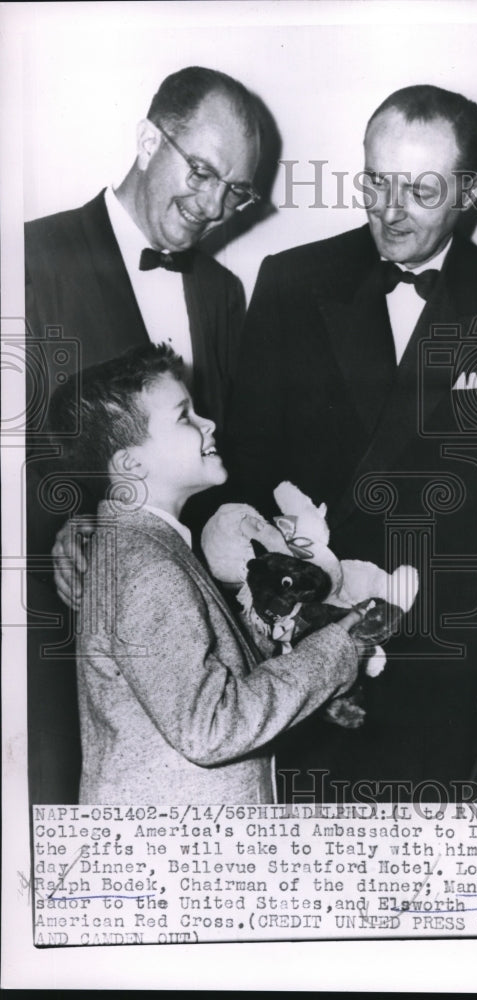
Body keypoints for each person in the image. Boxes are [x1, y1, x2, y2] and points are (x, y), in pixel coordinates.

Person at [224, 84, 477, 800]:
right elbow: (245, 475)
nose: (388, 210)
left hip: (440, 667)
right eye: (376, 181)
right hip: (302, 654)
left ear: (470, 191)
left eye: (419, 189)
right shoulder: (290, 283)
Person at [25, 66, 263, 802]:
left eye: (235, 191)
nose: (213, 205)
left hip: (187, 640)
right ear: (146, 140)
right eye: (201, 172)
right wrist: (66, 517)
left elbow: (225, 451)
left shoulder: (221, 293)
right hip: (60, 632)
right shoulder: (34, 257)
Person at [48, 344, 362, 803]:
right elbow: (209, 729)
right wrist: (334, 651)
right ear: (132, 464)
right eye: (184, 416)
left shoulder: (144, 545)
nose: (207, 423)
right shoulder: (147, 567)